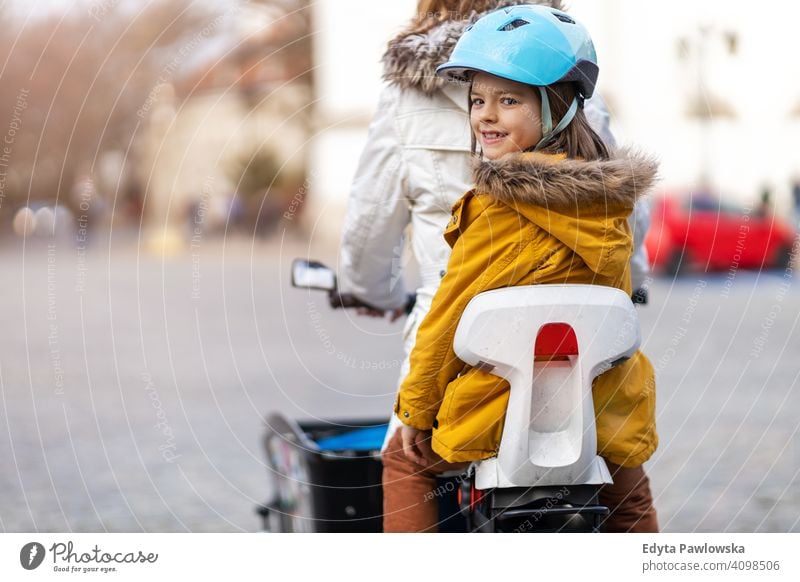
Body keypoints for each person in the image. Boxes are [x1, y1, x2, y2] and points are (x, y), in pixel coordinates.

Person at [380, 4, 659, 533]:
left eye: (509, 100)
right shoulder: (611, 204)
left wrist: (416, 411)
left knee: (401, 459)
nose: (486, 115)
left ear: (555, 107)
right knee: (631, 495)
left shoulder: (494, 208)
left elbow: (446, 317)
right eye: (478, 100)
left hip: (502, 412)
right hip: (599, 412)